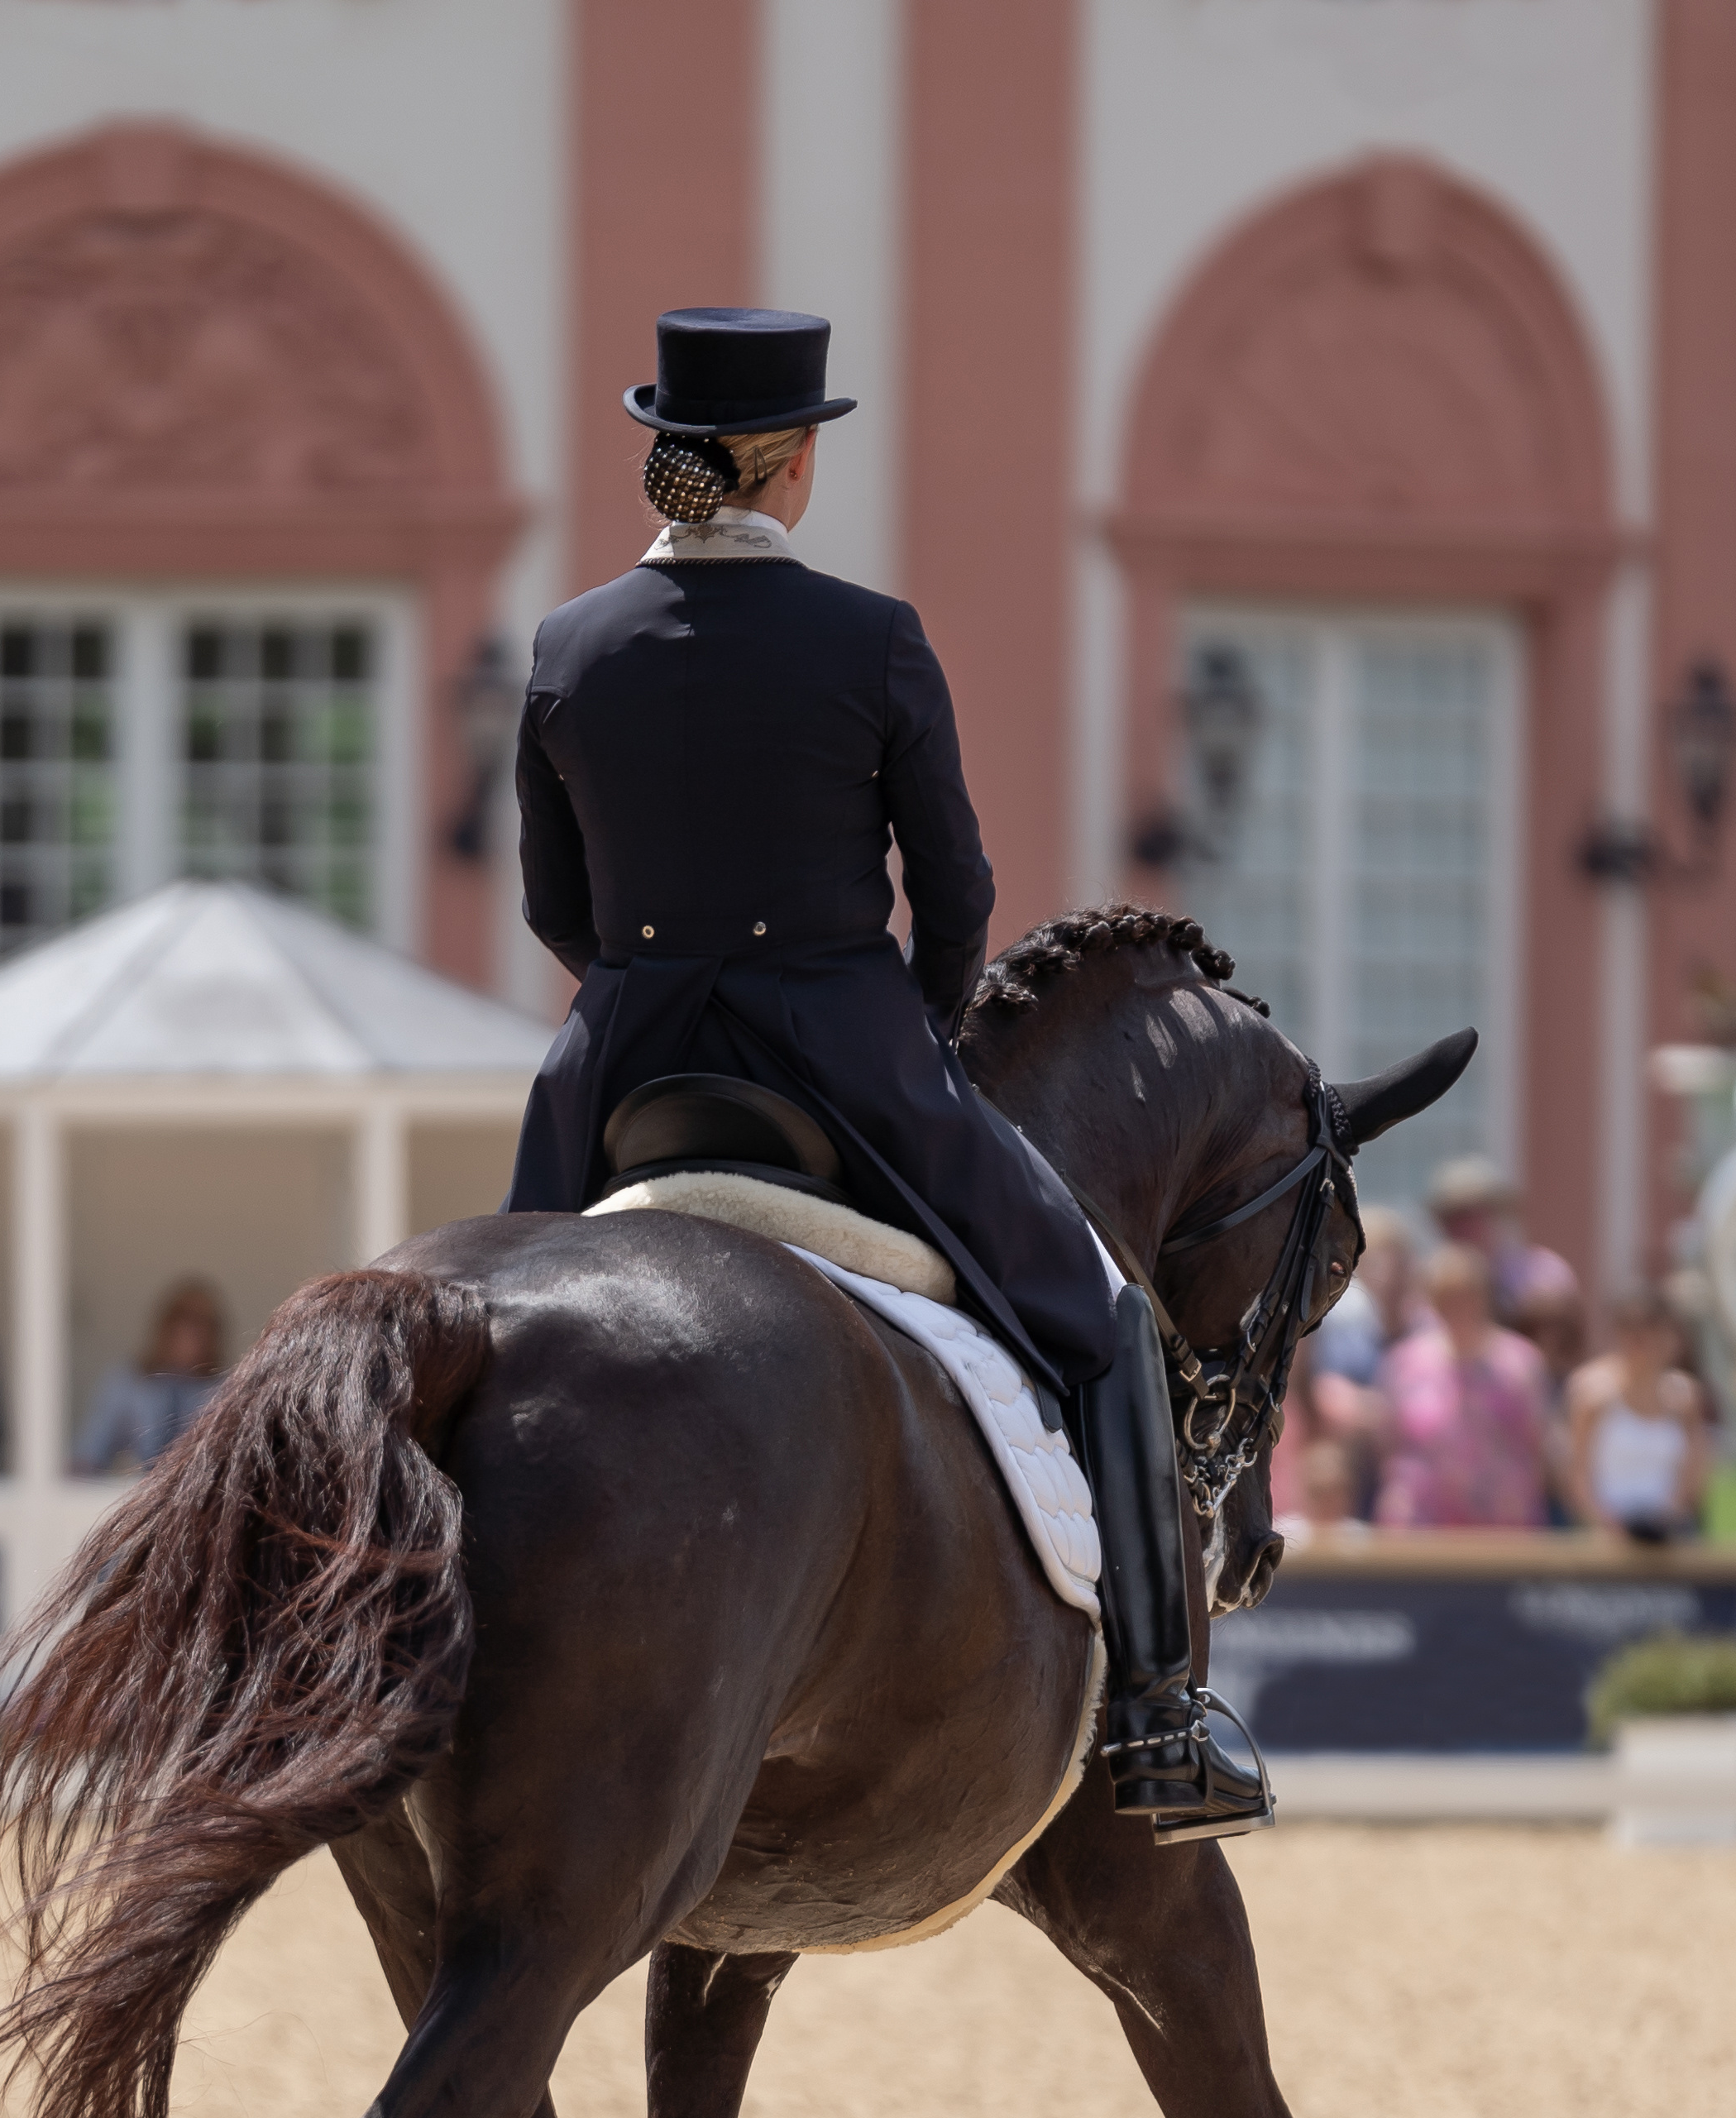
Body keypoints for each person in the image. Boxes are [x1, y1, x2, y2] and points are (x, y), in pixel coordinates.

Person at [498, 306, 1280, 1835]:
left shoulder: (566, 647)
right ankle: (1157, 1715)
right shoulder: (869, 638)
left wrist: (642, 990)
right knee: (1108, 1318)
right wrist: (922, 1040)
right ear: (787, 462)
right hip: (844, 1051)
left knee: (489, 1327)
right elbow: (960, 889)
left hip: (618, 1067)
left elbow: (551, 905)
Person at [1370, 1243, 1557, 1532]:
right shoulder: (1404, 1363)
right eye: (1446, 1297)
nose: (1458, 1306)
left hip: (1504, 1527)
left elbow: (1540, 1445)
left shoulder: (1521, 1363)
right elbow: (1387, 1443)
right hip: (1420, 1525)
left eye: (1467, 1295)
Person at [1560, 1285, 1709, 1542]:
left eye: (1651, 1329)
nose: (1641, 1341)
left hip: (1668, 1541)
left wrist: (1666, 1520)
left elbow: (1695, 1473)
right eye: (1631, 1330)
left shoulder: (1686, 1398)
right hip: (1604, 1541)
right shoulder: (1592, 1393)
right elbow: (1578, 1477)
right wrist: (1611, 1528)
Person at [75, 1279, 229, 1477]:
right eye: (182, 1321)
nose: (190, 1335)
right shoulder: (129, 1383)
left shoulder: (225, 1391)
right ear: (164, 1327)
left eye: (201, 1324)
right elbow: (89, 1454)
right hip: (136, 1495)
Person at [1420, 1156, 1578, 1346]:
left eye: (1472, 1215)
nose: (1463, 1227)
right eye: (1452, 1217)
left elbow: (1566, 1341)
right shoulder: (1428, 1283)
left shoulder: (1543, 1271)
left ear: (1498, 1215)